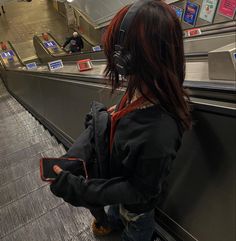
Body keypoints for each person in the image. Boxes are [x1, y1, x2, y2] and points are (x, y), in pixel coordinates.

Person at [50, 1, 192, 241]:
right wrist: (77, 155)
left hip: (137, 212)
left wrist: (81, 191)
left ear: (129, 58)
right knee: (116, 212)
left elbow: (139, 191)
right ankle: (112, 221)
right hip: (117, 189)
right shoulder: (143, 89)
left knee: (134, 230)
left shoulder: (160, 131)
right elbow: (115, 121)